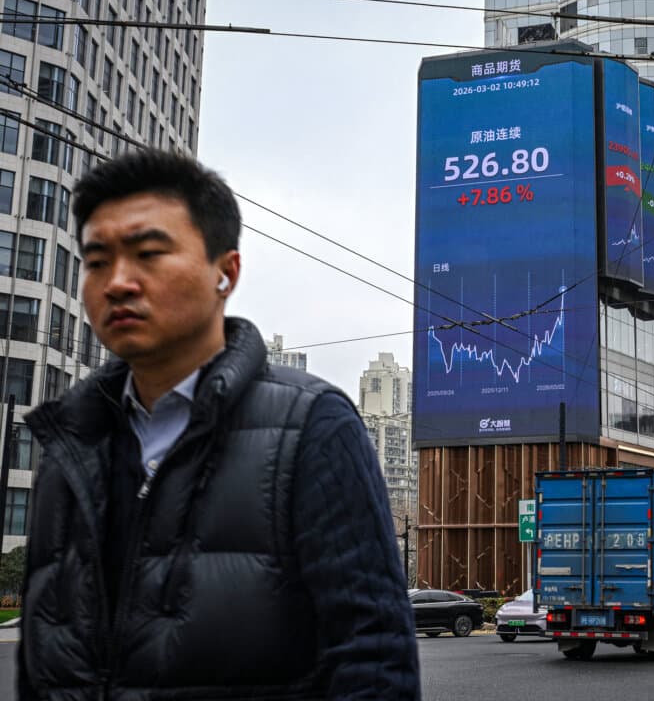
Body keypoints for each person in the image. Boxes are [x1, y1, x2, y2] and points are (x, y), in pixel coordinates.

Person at [18, 150, 420, 699]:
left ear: (225, 273)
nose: (117, 282)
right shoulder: (68, 443)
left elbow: (373, 662)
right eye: (96, 261)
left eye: (149, 254)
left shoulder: (310, 427)